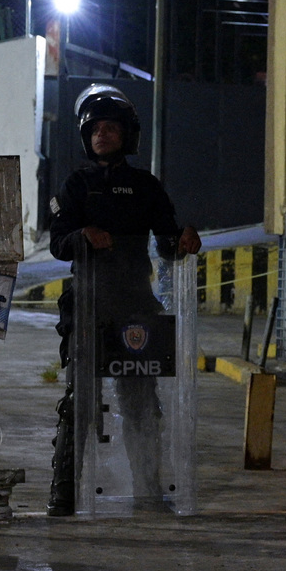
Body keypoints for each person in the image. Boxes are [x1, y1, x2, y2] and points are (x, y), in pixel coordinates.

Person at [46, 84, 201, 517]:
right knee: (80, 401)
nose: (102, 134)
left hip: (136, 305)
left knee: (140, 400)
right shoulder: (76, 185)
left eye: (111, 128)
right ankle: (63, 492)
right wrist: (82, 236)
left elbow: (168, 240)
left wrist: (183, 240)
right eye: (95, 128)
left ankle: (148, 490)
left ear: (126, 135)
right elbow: (58, 243)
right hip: (88, 304)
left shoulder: (146, 186)